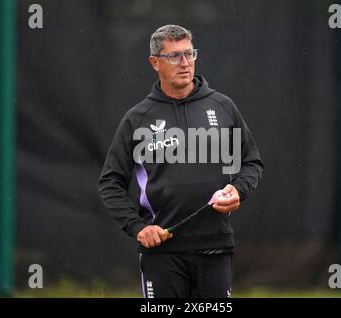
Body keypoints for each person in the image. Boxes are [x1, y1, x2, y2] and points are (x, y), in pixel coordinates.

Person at [98, 24, 263, 298]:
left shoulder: (223, 107)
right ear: (155, 62)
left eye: (190, 54)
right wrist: (138, 227)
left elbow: (251, 163)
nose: (185, 63)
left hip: (215, 245)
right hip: (162, 250)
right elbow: (110, 182)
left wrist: (239, 190)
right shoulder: (137, 118)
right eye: (174, 56)